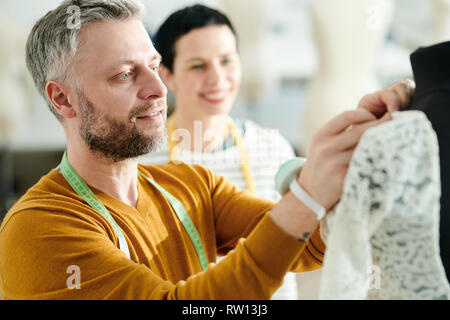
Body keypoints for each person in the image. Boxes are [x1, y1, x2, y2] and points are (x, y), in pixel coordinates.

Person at [0, 0, 414, 300]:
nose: (159, 89)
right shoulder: (38, 230)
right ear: (64, 100)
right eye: (126, 75)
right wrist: (306, 194)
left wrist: (363, 150)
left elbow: (307, 246)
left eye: (153, 65)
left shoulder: (190, 184)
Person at [139, 4, 298, 299]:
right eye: (198, 66)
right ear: (167, 76)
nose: (217, 78)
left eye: (227, 61)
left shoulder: (273, 148)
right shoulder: (142, 159)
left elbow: (294, 245)